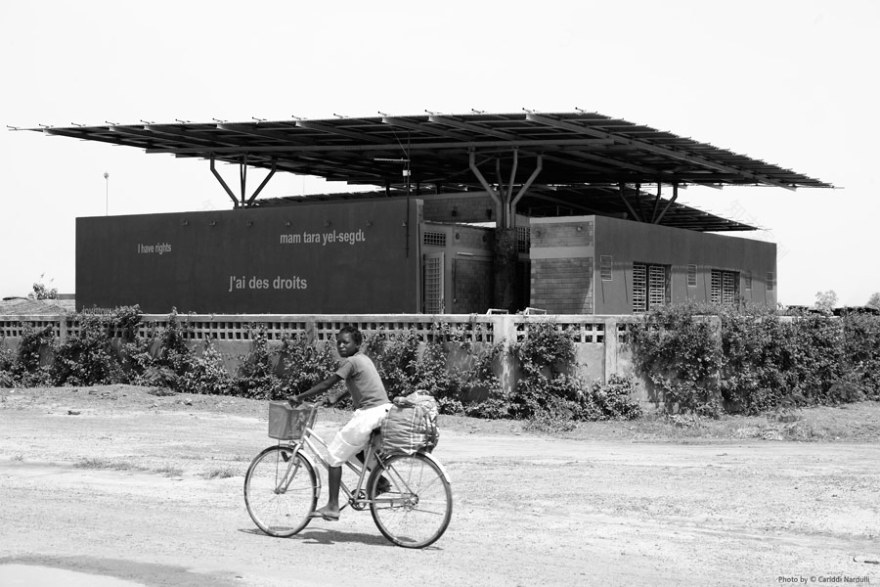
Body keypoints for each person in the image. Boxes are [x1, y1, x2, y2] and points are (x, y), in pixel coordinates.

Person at [288, 325, 391, 521]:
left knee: (334, 454)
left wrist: (300, 397)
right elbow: (356, 385)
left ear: (357, 344)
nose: (341, 346)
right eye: (339, 343)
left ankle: (333, 506)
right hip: (383, 412)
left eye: (346, 342)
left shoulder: (351, 362)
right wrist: (336, 398)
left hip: (369, 414)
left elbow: (327, 383)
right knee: (354, 452)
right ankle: (380, 482)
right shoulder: (363, 359)